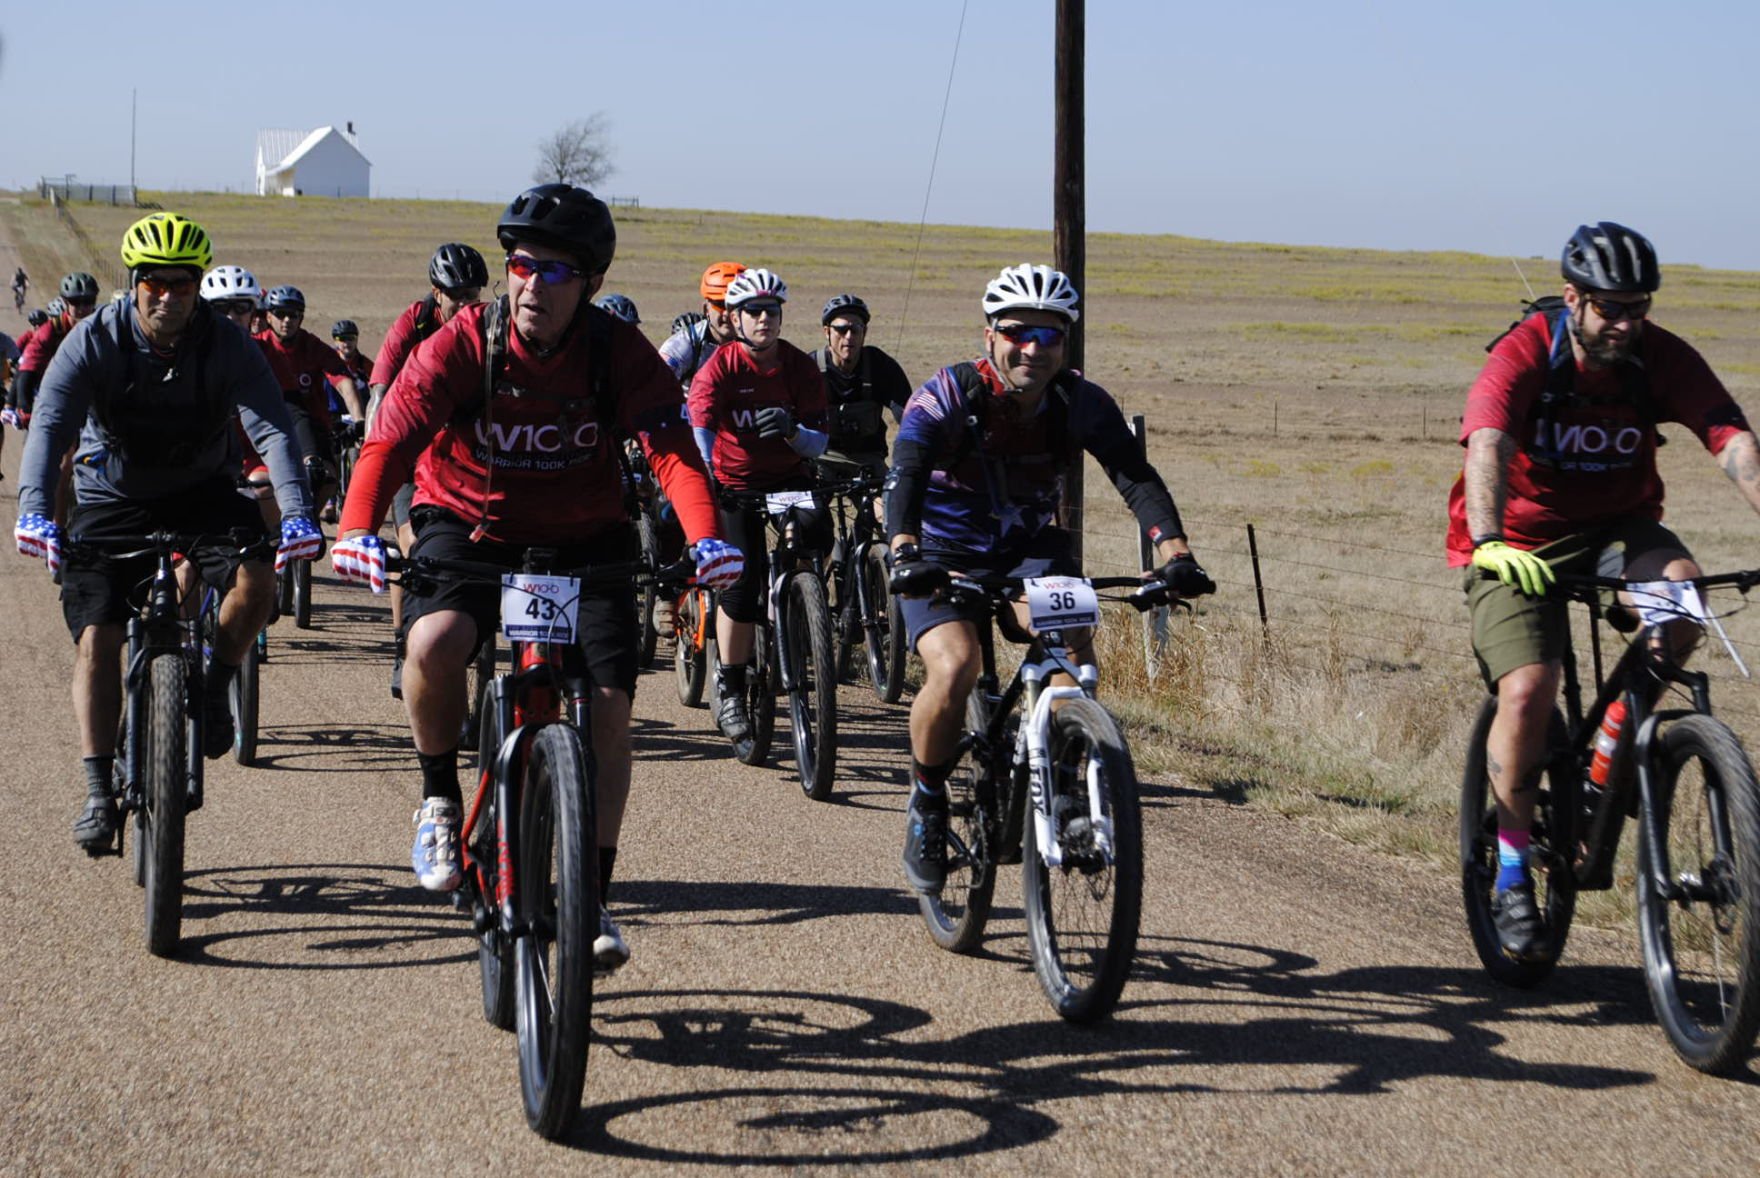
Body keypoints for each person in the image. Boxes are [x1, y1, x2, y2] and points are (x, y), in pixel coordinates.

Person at [329, 184, 744, 970]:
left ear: (588, 283)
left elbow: (669, 452)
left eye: (554, 273)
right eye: (521, 265)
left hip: (586, 541)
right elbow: (390, 438)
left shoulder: (617, 351)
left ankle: (592, 897)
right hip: (469, 525)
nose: (531, 285)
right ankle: (440, 798)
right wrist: (354, 528)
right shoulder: (464, 342)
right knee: (434, 642)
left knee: (613, 708)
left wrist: (705, 539)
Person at [1447, 221, 1760, 962]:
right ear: (1572, 299)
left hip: (1620, 525)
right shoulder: (1527, 352)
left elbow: (1733, 442)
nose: (1624, 323)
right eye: (1609, 308)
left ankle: (1608, 756)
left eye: (1637, 307)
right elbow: (1487, 442)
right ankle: (1515, 874)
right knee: (1529, 688)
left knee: (1683, 605)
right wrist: (1491, 544)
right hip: (1519, 536)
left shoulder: (1658, 358)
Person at [885, 263, 1213, 894]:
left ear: (1066, 343)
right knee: (954, 666)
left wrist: (1176, 554)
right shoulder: (948, 393)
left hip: (1033, 552)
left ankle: (1065, 787)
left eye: (1051, 336)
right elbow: (908, 468)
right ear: (989, 336)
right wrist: (903, 548)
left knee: (1071, 663)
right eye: (1017, 333)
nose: (1033, 348)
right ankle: (926, 803)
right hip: (941, 550)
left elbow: (1133, 475)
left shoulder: (1080, 401)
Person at [12, 212, 320, 851]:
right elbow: (50, 425)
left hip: (203, 491)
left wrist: (295, 512)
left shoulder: (232, 347)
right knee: (98, 637)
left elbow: (271, 430)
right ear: (134, 282)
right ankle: (99, 788)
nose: (169, 296)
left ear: (197, 285)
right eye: (155, 282)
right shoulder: (92, 339)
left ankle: (212, 687)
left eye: (183, 283)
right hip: (110, 495)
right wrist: (37, 508)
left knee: (258, 581)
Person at [686, 267, 831, 740]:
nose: (764, 319)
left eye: (772, 311)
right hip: (736, 484)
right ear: (735, 317)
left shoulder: (799, 367)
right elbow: (701, 432)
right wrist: (709, 480)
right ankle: (728, 684)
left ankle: (799, 610)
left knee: (817, 536)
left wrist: (792, 429)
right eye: (753, 311)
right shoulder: (721, 366)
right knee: (741, 586)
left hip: (790, 479)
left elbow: (818, 442)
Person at [368, 242, 489, 658]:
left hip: (463, 450)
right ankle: (404, 637)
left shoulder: (487, 325)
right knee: (413, 544)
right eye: (456, 296)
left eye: (472, 296)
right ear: (436, 293)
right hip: (413, 445)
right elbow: (380, 394)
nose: (465, 304)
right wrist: (377, 452)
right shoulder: (411, 325)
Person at [256, 285, 366, 518]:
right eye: (280, 314)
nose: (287, 320)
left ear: (301, 318)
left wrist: (359, 420)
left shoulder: (312, 346)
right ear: (268, 316)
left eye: (293, 315)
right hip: (266, 421)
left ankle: (310, 519)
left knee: (327, 478)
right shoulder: (258, 346)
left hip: (312, 424)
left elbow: (343, 381)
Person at [810, 293, 912, 481]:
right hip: (821, 458)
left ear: (864, 332)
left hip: (869, 460)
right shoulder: (810, 367)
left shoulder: (880, 366)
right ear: (827, 331)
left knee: (886, 509)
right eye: (841, 329)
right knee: (812, 510)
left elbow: (908, 416)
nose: (849, 337)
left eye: (855, 329)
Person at [659, 262, 745, 389]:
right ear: (706, 309)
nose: (727, 313)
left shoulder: (761, 341)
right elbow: (654, 387)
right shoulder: (683, 345)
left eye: (736, 305)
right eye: (720, 304)